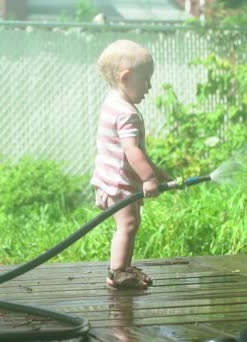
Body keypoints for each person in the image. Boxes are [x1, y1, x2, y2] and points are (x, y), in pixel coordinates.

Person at [90, 40, 170, 290]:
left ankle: (123, 268)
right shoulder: (127, 114)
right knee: (128, 224)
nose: (149, 86)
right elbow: (132, 151)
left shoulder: (112, 102)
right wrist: (148, 178)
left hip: (110, 177)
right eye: (146, 79)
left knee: (129, 223)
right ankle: (117, 272)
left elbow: (134, 152)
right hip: (118, 182)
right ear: (126, 77)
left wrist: (158, 173)